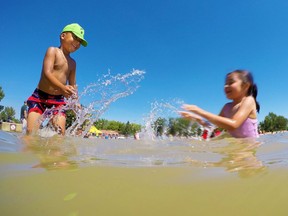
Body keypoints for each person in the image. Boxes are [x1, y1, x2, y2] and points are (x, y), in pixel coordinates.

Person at [26, 23, 88, 135]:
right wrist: (63, 87)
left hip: (58, 101)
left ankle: (55, 152)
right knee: (31, 133)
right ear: (63, 36)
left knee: (60, 134)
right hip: (40, 97)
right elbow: (47, 73)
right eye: (75, 38)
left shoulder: (73, 63)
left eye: (80, 41)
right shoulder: (52, 51)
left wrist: (76, 102)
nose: (77, 43)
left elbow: (73, 85)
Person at [179, 70, 260, 138]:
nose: (226, 86)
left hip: (250, 147)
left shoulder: (249, 101)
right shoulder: (226, 107)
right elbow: (212, 126)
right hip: (236, 146)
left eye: (231, 82)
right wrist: (197, 118)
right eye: (225, 83)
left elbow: (234, 124)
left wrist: (200, 111)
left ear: (245, 86)